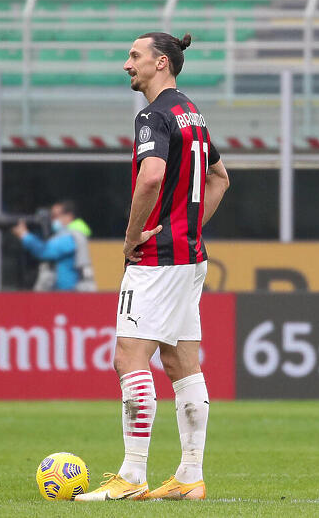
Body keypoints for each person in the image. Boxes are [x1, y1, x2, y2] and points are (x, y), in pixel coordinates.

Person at [76, 32, 229, 502]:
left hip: (157, 260)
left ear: (161, 63)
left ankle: (133, 475)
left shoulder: (153, 115)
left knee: (129, 358)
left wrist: (133, 236)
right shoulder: (192, 113)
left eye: (135, 56)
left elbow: (152, 175)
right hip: (189, 256)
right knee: (181, 362)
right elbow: (221, 178)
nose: (127, 64)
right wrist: (185, 227)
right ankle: (188, 477)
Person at [11, 200, 96, 291]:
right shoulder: (72, 234)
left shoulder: (71, 237)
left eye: (55, 216)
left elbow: (44, 251)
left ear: (69, 216)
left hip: (72, 294)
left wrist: (25, 235)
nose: (52, 220)